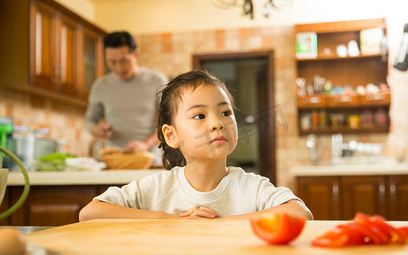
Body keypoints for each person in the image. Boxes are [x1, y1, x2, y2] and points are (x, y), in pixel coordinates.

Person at [79, 70, 313, 221]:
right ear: (171, 135)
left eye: (225, 112)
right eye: (200, 116)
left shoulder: (251, 187)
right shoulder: (156, 188)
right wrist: (170, 220)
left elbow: (300, 213)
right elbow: (90, 212)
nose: (217, 123)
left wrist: (220, 224)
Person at [85, 31, 168, 153]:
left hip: (150, 158)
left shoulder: (157, 81)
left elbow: (170, 122)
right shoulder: (100, 86)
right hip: (113, 158)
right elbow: (89, 121)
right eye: (112, 62)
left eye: (124, 61)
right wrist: (96, 129)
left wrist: (145, 144)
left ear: (136, 54)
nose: (118, 68)